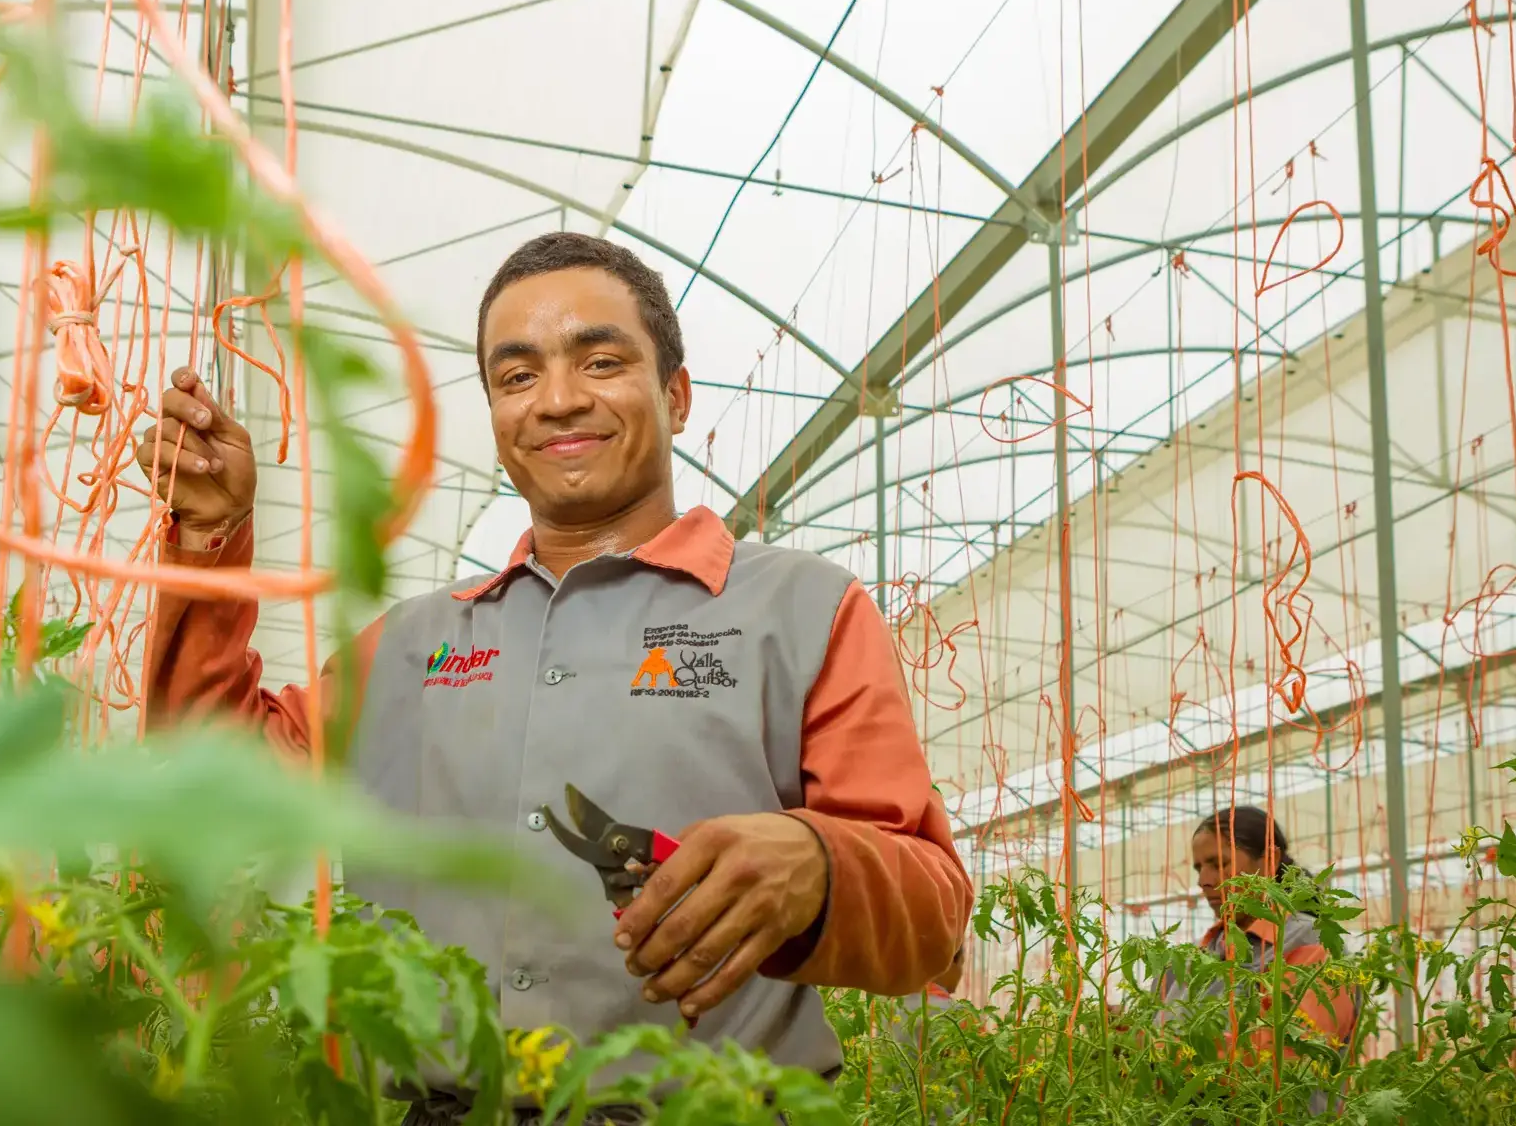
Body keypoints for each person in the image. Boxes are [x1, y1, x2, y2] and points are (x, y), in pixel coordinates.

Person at [138, 232, 973, 1122]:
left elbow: (934, 924)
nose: (559, 401)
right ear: (496, 416)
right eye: (518, 375)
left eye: (601, 360)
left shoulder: (802, 611)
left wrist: (818, 863)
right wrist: (206, 545)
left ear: (676, 395)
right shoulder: (415, 645)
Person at [1159, 807, 1357, 1074]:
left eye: (1219, 864)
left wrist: (1157, 1049)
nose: (1204, 881)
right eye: (1199, 868)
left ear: (1269, 861)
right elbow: (1157, 1025)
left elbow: (1284, 1062)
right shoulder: (1193, 956)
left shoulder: (1313, 945)